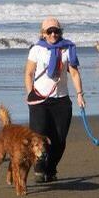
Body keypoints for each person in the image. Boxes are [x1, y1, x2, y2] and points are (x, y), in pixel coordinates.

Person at [24, 17, 85, 183]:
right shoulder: (37, 49)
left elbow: (73, 73)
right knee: (38, 137)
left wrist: (80, 94)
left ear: (60, 32)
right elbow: (29, 73)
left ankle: (51, 169)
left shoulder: (68, 49)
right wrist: (30, 93)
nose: (53, 34)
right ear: (43, 33)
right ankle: (39, 168)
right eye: (49, 31)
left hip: (61, 100)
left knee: (59, 139)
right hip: (39, 100)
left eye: (56, 31)